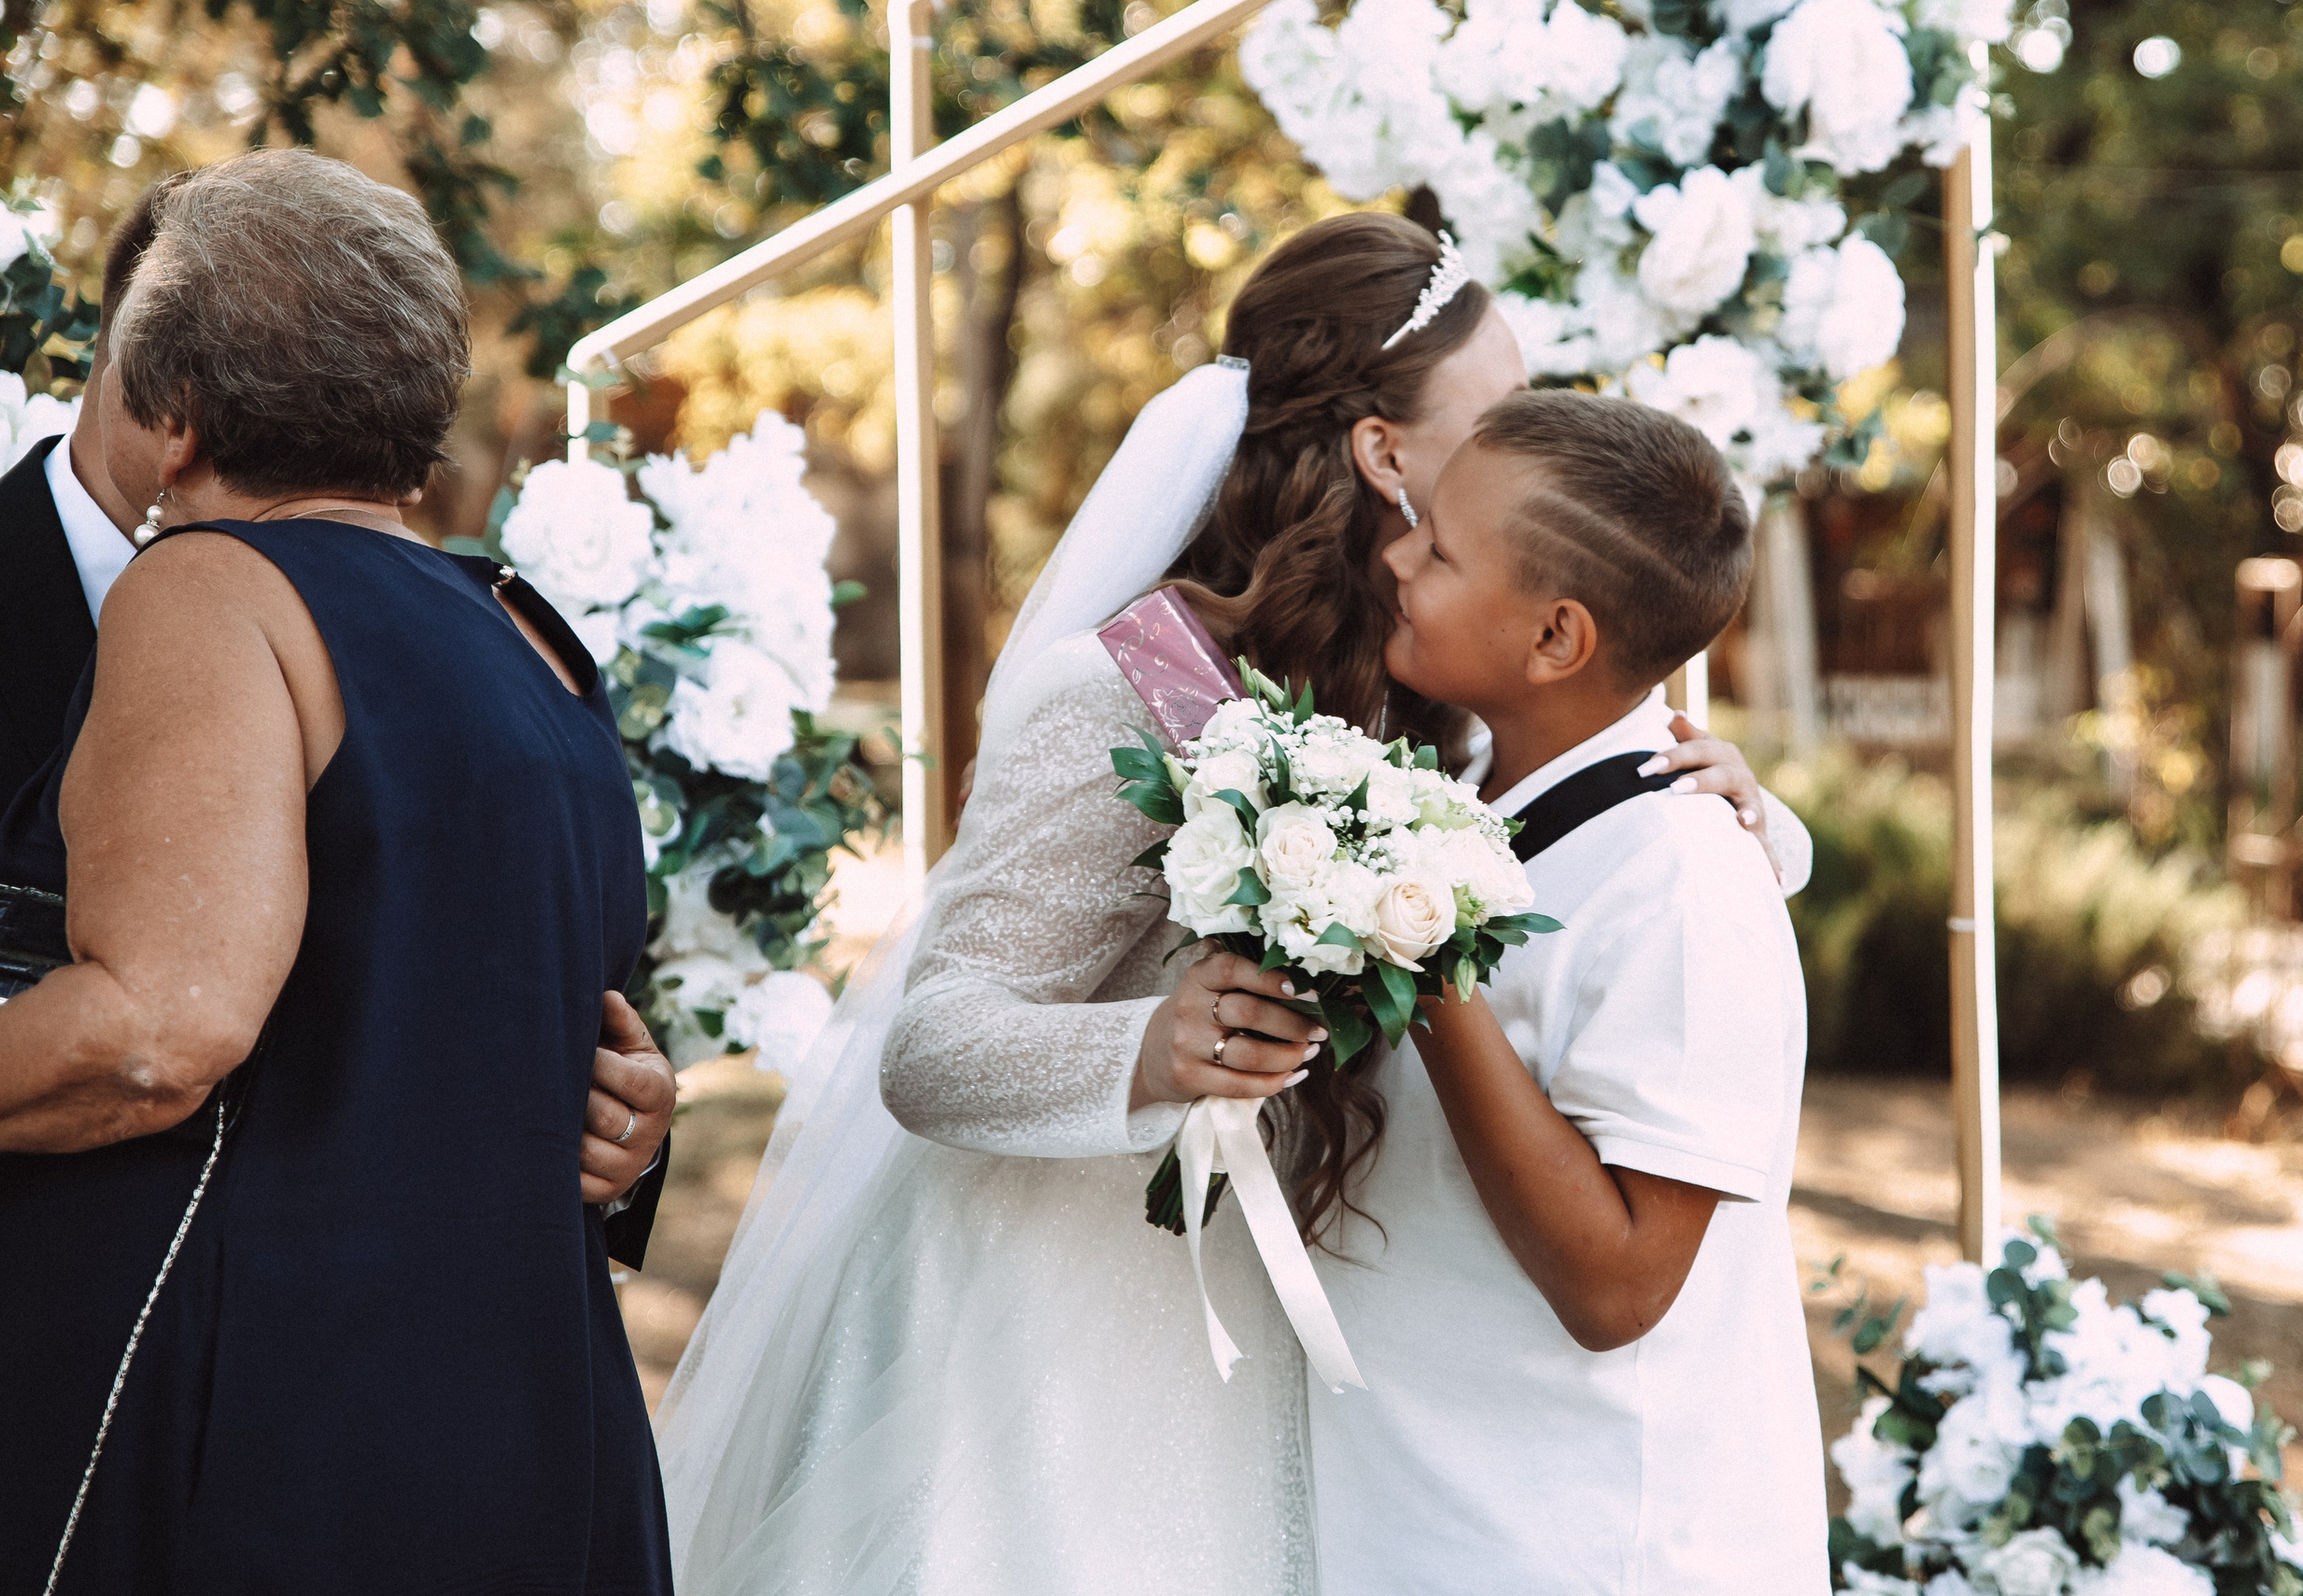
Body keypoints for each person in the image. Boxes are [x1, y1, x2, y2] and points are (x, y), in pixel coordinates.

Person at [660, 215, 1811, 1595]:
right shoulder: (1130, 687)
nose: (1538, 431)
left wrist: (1746, 809)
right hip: (1056, 1356)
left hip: (1289, 1368)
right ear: (1387, 456)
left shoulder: (1439, 699)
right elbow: (933, 1040)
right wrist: (1149, 1047)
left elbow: (1594, 842)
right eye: (1501, 408)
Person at [0, 149, 670, 1594]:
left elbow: (158, 1033)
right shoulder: (532, 636)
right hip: (533, 1396)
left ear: (174, 418)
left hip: (280, 1397)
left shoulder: (206, 588)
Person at [1299, 390, 1825, 1592]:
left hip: (1585, 1539)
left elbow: (1618, 1283)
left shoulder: (1684, 880)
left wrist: (1423, 964)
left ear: (1555, 639)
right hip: (1435, 1502)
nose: (1394, 557)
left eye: (1436, 548)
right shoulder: (1478, 788)